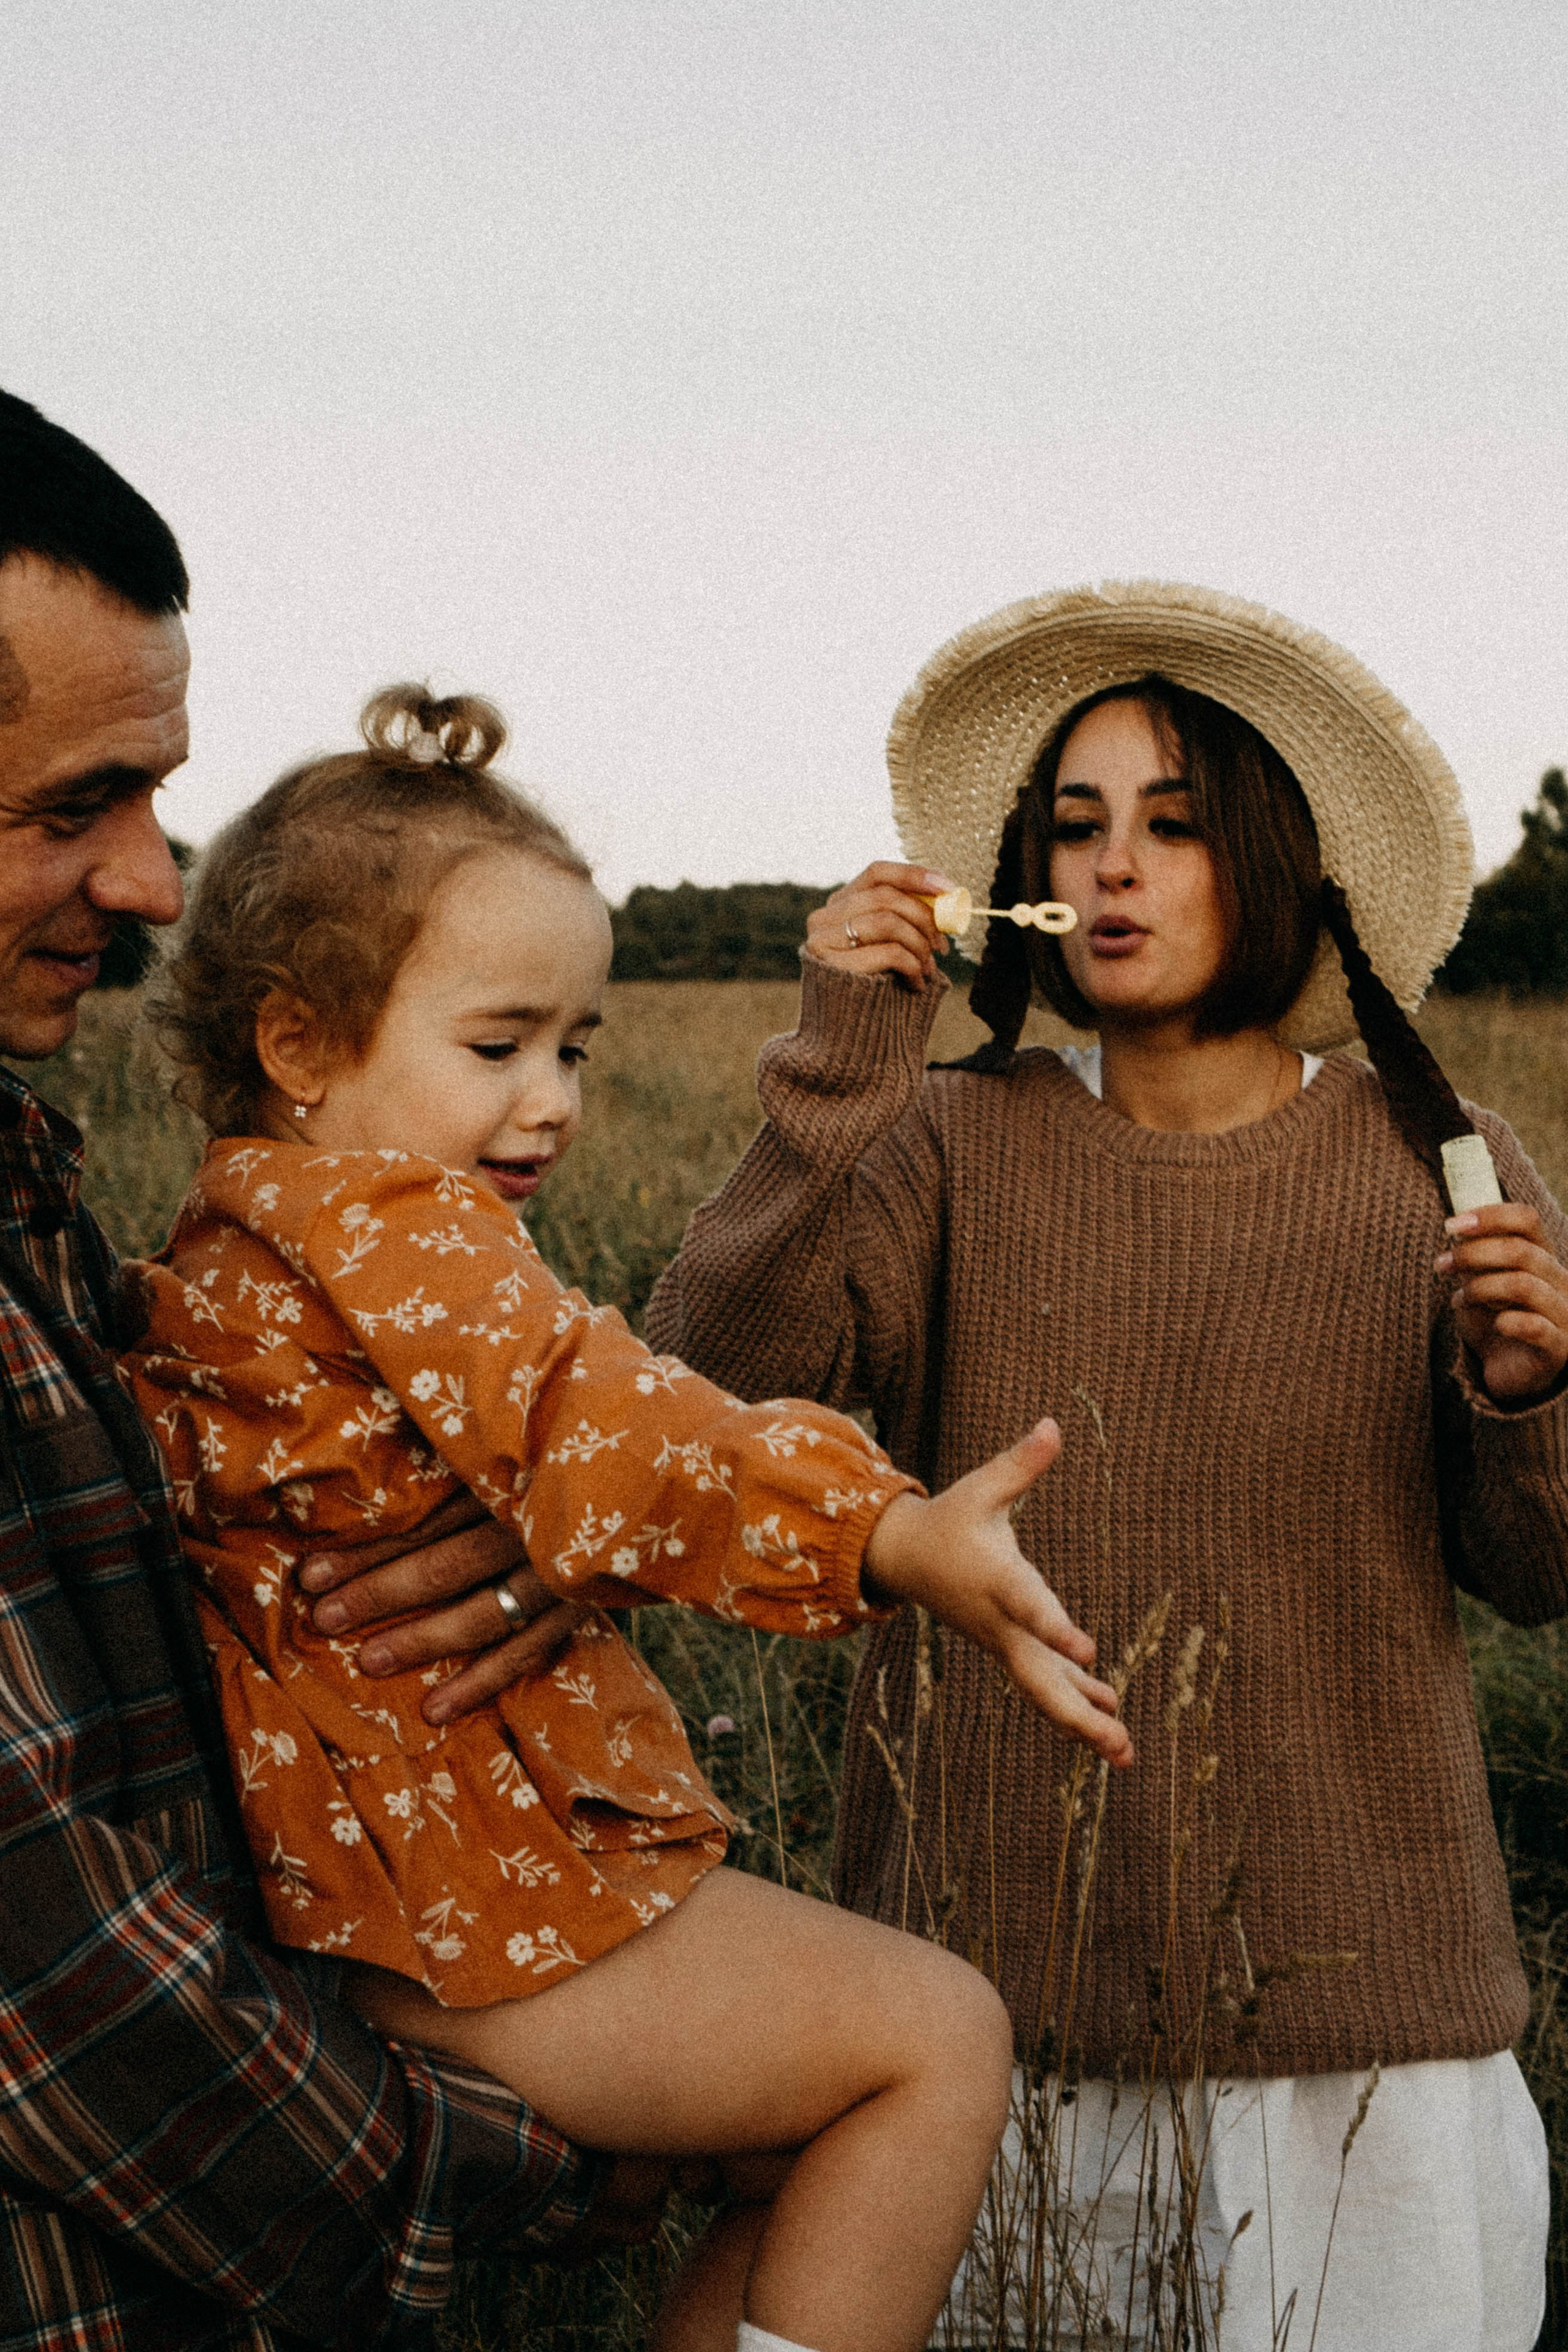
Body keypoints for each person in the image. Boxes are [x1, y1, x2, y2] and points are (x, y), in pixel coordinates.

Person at [119, 680, 1132, 2352]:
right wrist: (886, 1533)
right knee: (937, 2038)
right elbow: (613, 1428)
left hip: (357, 1890)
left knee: (790, 2134)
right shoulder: (401, 1228)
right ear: (298, 1042)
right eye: (499, 1044)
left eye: (573, 1049)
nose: (555, 1100)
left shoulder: (228, 1238)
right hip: (470, 1901)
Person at [646, 581, 1568, 2350]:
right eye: (1079, 825)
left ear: (1281, 862)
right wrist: (842, 1064)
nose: (1117, 866)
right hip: (990, 2028)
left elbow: (1542, 1575)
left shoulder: (1436, 1157)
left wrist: (1531, 1390)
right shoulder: (941, 1143)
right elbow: (707, 1396)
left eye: (1174, 824)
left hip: (1367, 2033)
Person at [0, 387, 670, 2352]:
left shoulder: (59, 1208)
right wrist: (538, 2157)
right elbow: (38, 1955)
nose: (147, 880)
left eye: (153, 798)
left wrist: (519, 1516)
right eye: (68, 807)